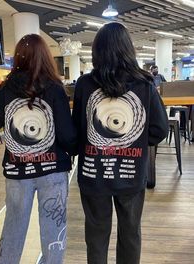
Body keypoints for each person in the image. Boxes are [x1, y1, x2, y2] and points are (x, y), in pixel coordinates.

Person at [0, 34, 77, 264]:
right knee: (54, 230)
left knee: (13, 229)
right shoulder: (54, 89)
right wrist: (74, 147)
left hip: (17, 172)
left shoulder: (3, 91)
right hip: (53, 172)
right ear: (45, 57)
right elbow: (66, 134)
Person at [72, 22, 168, 264]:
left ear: (97, 50)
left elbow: (78, 130)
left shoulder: (84, 84)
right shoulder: (145, 84)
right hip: (131, 173)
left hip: (93, 174)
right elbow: (160, 129)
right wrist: (133, 142)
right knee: (130, 233)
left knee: (96, 235)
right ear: (128, 49)